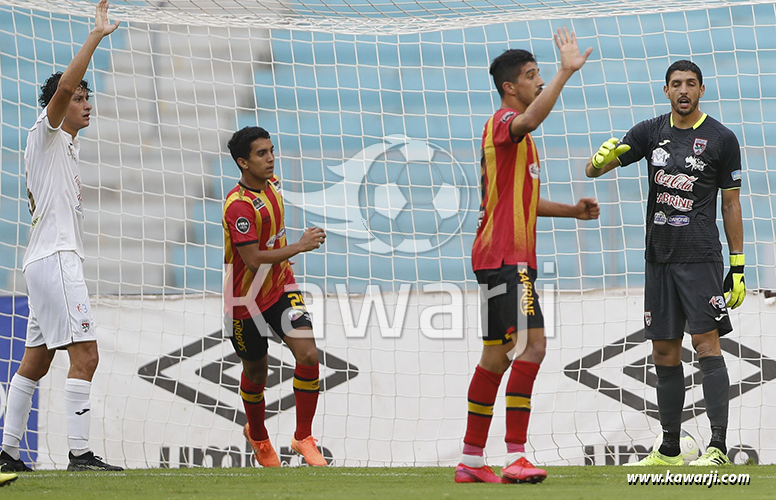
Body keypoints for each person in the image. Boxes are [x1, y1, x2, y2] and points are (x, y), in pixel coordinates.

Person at [585, 60, 745, 467]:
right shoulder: (649, 133)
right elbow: (594, 172)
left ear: (702, 90)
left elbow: (730, 203)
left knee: (706, 345)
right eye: (677, 84)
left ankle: (718, 448)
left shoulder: (721, 138)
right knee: (662, 352)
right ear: (666, 90)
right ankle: (670, 448)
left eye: (691, 84)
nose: (684, 90)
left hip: (700, 257)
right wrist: (598, 160)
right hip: (658, 257)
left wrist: (738, 265)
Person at [456, 29, 599, 484]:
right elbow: (530, 120)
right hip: (505, 257)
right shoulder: (503, 122)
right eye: (532, 76)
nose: (538, 83)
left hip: (502, 256)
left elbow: (524, 200)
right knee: (532, 346)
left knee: (497, 357)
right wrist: (564, 71)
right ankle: (515, 455)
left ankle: (471, 461)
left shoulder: (520, 143)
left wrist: (572, 212)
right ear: (509, 88)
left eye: (540, 74)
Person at [0, 0, 122, 473]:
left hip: (43, 261)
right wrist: (94, 37)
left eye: (89, 98)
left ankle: (7, 450)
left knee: (35, 362)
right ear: (58, 105)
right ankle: (79, 455)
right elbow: (65, 85)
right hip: (56, 259)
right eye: (79, 98)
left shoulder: (65, 148)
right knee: (86, 355)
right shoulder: (46, 133)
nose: (86, 103)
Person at [223, 126, 329, 467]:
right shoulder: (237, 207)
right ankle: (259, 437)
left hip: (282, 287)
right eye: (261, 154)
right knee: (256, 373)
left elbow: (267, 246)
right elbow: (251, 259)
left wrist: (283, 255)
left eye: (271, 151)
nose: (270, 159)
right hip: (245, 300)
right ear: (242, 162)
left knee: (309, 354)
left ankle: (303, 437)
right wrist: (295, 246)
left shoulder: (273, 184)